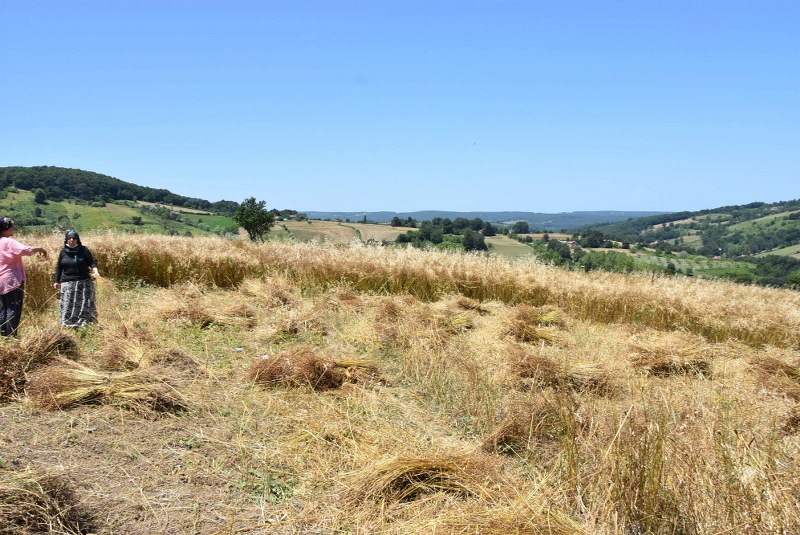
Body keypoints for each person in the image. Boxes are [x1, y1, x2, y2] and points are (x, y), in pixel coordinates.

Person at [0, 216, 48, 336]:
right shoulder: (8, 242)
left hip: (0, 281)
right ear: (5, 229)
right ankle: (10, 336)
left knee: (2, 309)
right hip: (12, 280)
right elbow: (25, 251)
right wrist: (40, 249)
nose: (14, 229)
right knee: (13, 308)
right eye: (12, 227)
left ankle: (2, 335)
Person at [52, 230, 100, 327]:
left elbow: (91, 262)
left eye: (74, 238)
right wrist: (56, 281)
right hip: (68, 283)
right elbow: (59, 267)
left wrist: (96, 271)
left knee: (84, 303)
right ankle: (68, 323)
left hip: (84, 282)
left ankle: (86, 323)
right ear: (66, 240)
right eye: (69, 238)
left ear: (77, 239)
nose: (72, 240)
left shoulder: (84, 250)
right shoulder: (63, 252)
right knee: (68, 304)